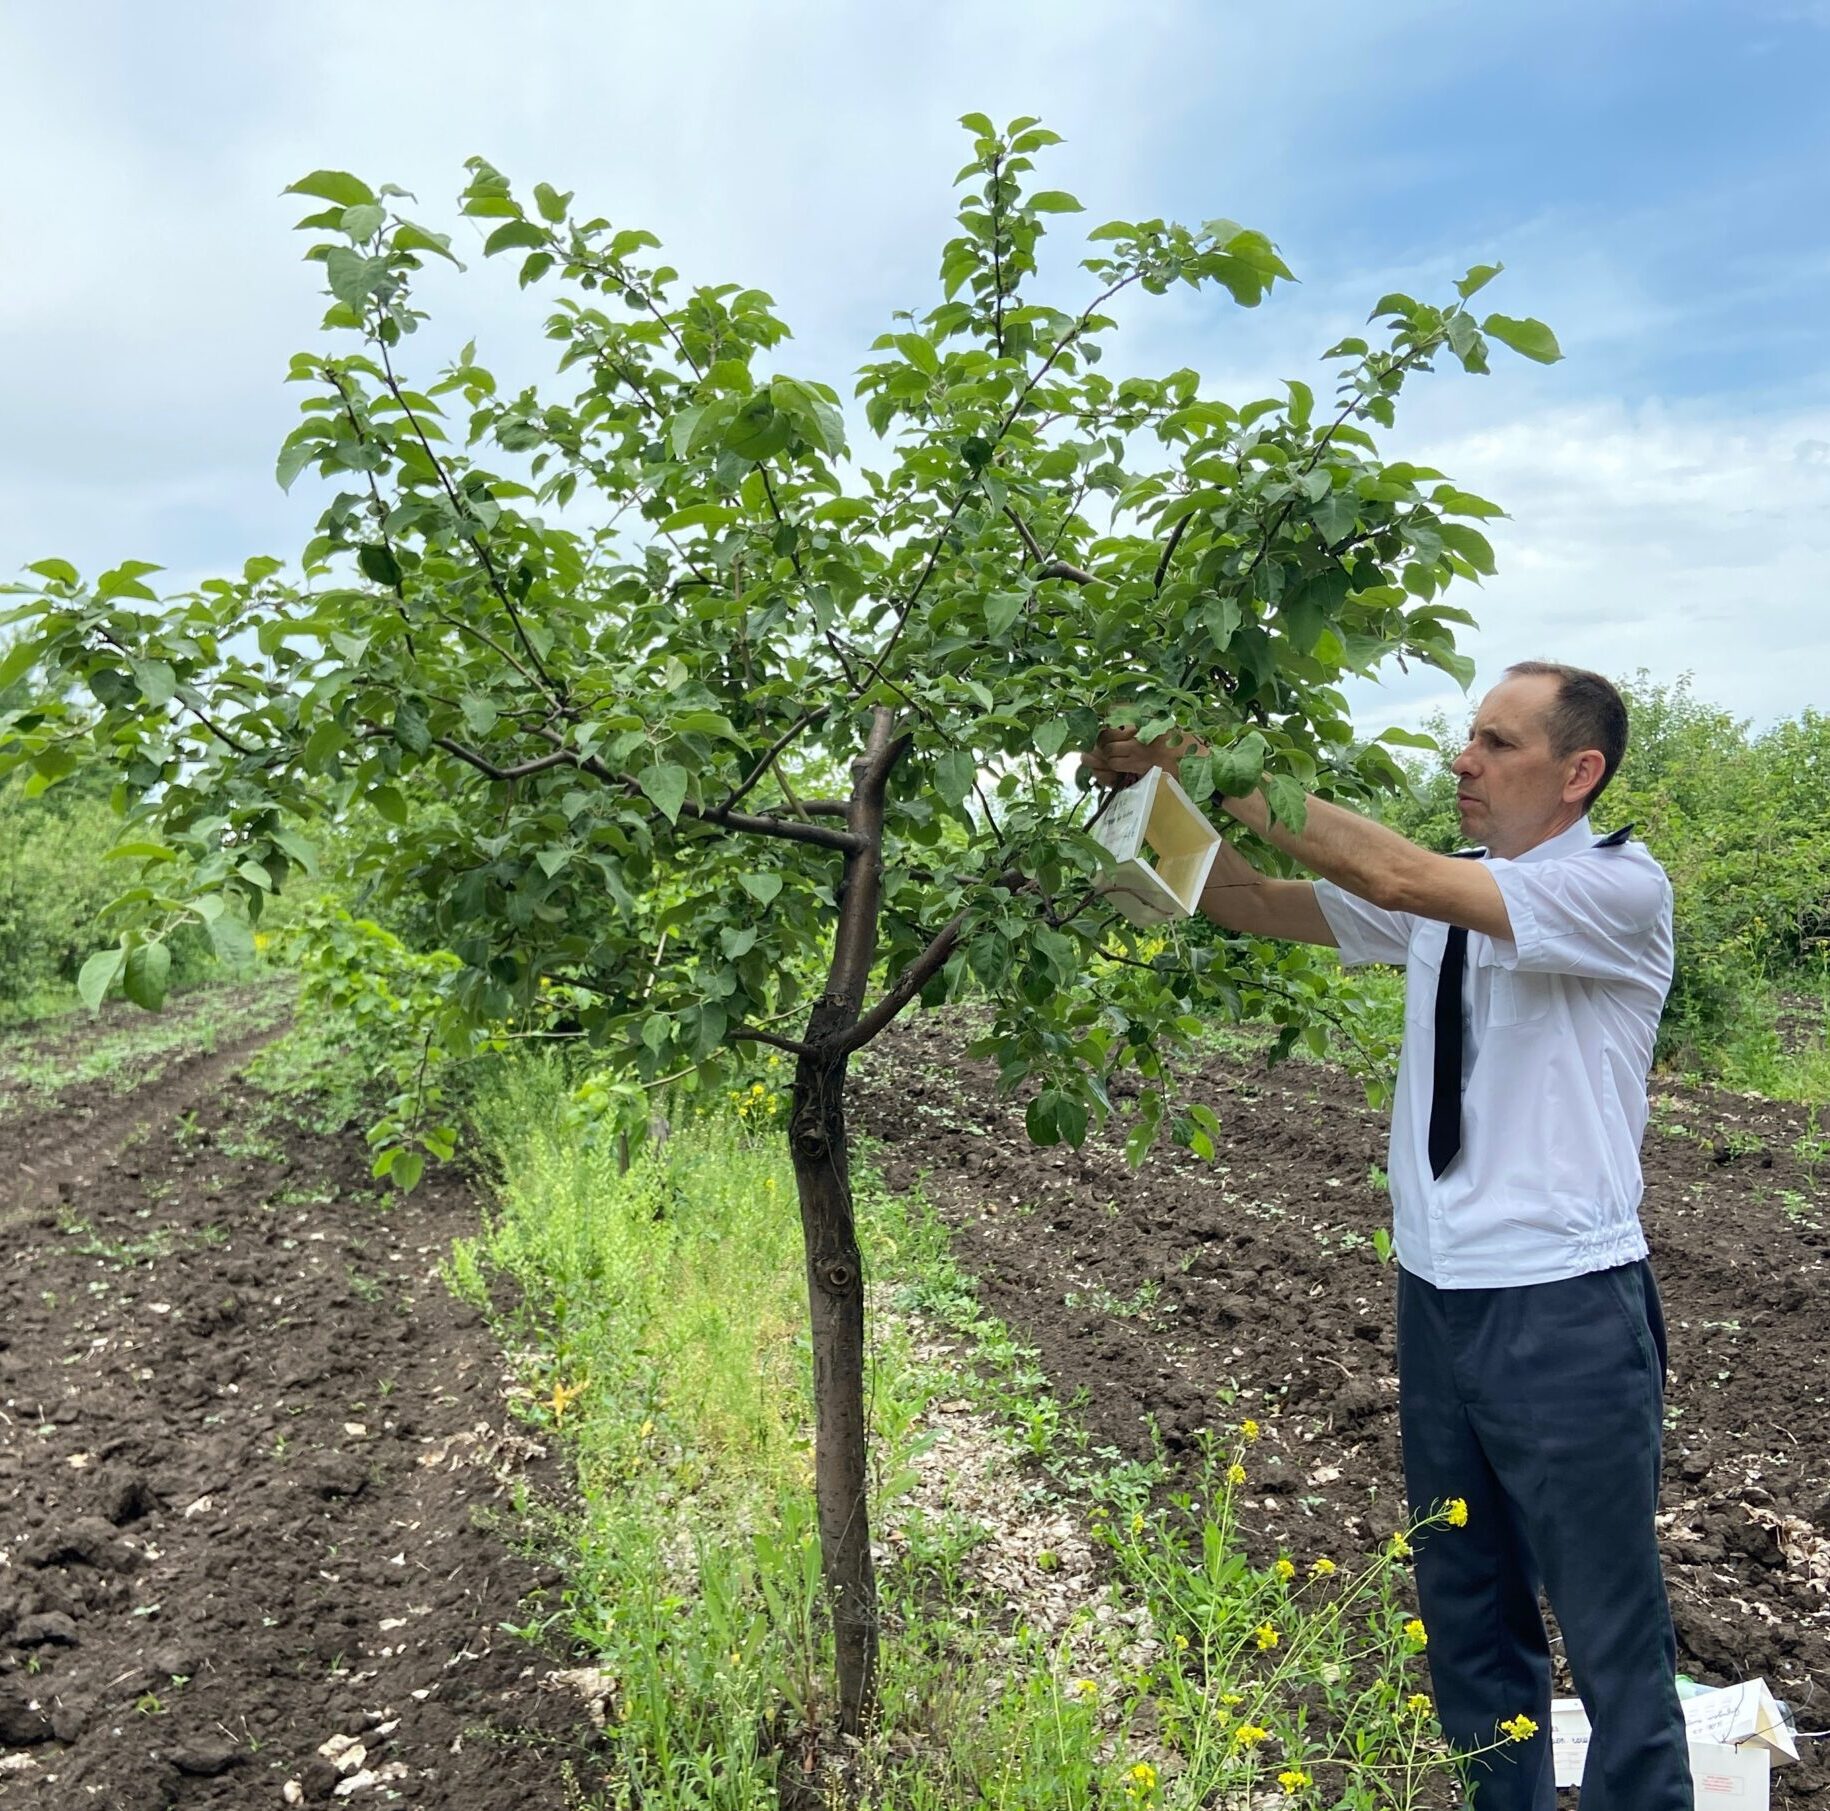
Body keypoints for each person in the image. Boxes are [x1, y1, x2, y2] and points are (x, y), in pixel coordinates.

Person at [1082, 662, 1691, 1811]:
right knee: (1468, 1622)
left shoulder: (1618, 889)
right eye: (1468, 737)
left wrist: (1195, 751)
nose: (1462, 760)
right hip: (1438, 1300)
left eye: (1496, 743)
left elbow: (1386, 869)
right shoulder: (1447, 889)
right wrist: (1132, 803)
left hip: (1564, 1309)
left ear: (1579, 773)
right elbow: (1249, 900)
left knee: (1614, 1644)